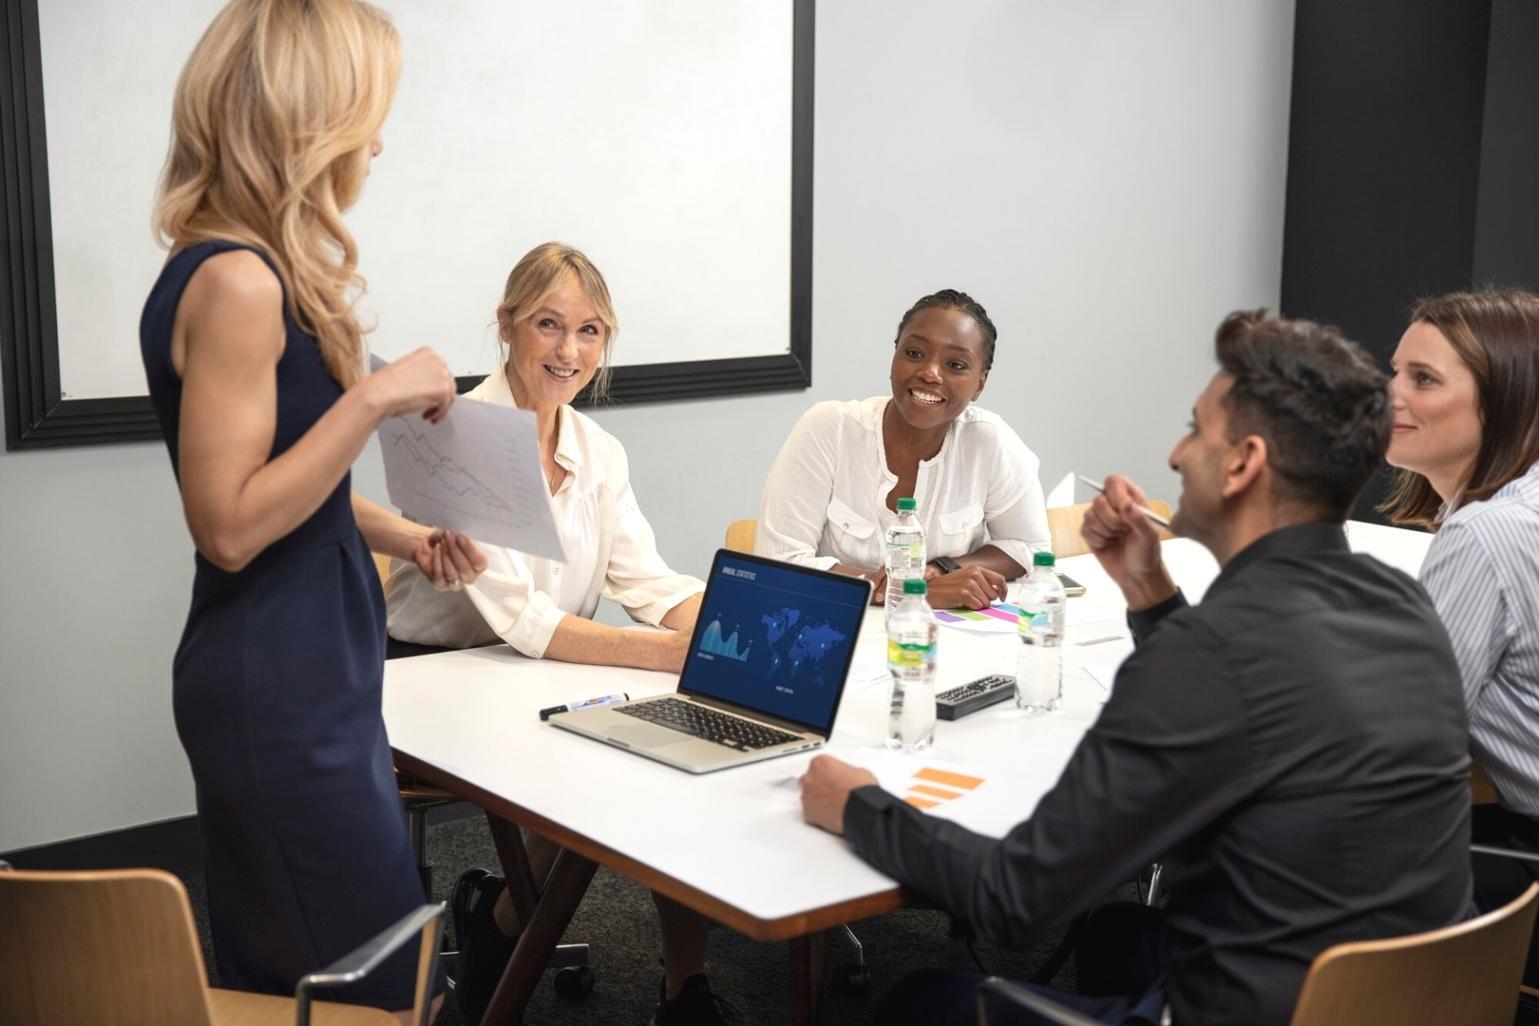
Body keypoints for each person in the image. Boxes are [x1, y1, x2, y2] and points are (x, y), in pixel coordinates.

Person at [799, 310, 1474, 1026]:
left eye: (1194, 429)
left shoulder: (1213, 650)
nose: (1177, 456)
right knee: (1117, 931)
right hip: (1409, 996)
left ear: (1243, 463)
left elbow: (1016, 901)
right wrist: (1151, 595)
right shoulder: (1399, 601)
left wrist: (860, 808)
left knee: (918, 1002)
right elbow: (1247, 701)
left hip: (1265, 1006)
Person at [140, 1, 485, 1020]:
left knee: (302, 971)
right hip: (276, 685)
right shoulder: (238, 283)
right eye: (368, 112)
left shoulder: (248, 269)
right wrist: (374, 396)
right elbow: (233, 525)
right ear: (309, 118)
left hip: (307, 669)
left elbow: (301, 491)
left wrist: (408, 535)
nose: (378, 139)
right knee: (363, 984)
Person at [385, 242, 730, 1025]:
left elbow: (645, 581)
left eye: (590, 331)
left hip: (530, 674)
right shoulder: (456, 436)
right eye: (548, 325)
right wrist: (673, 655)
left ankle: (683, 989)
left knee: (668, 749)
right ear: (506, 327)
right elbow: (525, 619)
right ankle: (492, 973)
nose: (569, 351)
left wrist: (725, 625)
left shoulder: (597, 451)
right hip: (428, 679)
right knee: (603, 769)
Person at [1382, 288, 1539, 985]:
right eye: (1393, 372)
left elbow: (1394, 743)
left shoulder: (1483, 535)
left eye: (1422, 380)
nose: (1387, 395)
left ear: (1502, 399)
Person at [755, 290, 1049, 610]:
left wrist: (942, 570)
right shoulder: (830, 428)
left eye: (955, 364)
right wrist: (906, 592)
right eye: (914, 353)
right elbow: (778, 565)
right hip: (831, 628)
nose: (930, 373)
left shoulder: (990, 441)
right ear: (894, 359)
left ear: (980, 383)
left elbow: (1030, 548)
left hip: (947, 636)